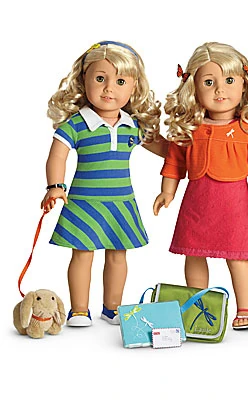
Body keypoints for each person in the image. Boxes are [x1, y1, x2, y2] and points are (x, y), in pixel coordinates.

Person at [153, 42, 248, 330]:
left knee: (238, 257)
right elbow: (174, 162)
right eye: (209, 82)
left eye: (229, 81)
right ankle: (197, 303)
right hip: (196, 205)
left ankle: (247, 308)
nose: (219, 90)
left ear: (244, 85)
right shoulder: (190, 128)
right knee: (193, 254)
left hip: (234, 207)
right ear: (193, 88)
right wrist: (167, 191)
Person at [41, 41, 169, 327]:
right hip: (84, 203)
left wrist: (193, 151)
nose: (109, 88)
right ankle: (79, 309)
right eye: (100, 79)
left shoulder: (132, 125)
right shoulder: (76, 125)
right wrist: (55, 186)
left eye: (120, 81)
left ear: (134, 87)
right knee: (82, 255)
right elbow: (57, 156)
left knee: (118, 256)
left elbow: (164, 149)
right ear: (83, 80)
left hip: (120, 204)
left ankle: (112, 308)